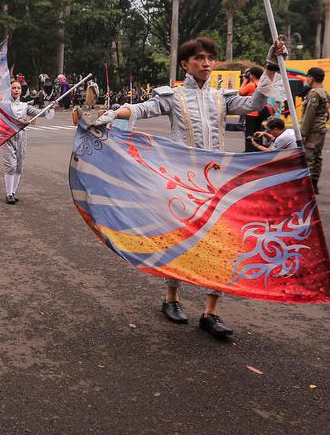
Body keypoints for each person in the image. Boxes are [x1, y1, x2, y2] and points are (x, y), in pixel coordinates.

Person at [94, 35, 286, 339]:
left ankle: (211, 311)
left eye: (210, 58)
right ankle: (171, 298)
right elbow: (142, 109)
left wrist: (272, 64)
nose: (206, 64)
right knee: (181, 239)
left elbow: (257, 102)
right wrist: (114, 113)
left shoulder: (221, 98)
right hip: (182, 181)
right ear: (185, 64)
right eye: (199, 58)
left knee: (221, 243)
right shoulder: (172, 96)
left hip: (219, 182)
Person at [0, 80, 50, 204]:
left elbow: (39, 114)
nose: (16, 90)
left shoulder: (24, 106)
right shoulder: (3, 105)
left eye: (18, 88)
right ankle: (8, 194)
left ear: (21, 91)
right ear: (9, 90)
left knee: (19, 166)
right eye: (13, 88)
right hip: (8, 137)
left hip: (21, 137)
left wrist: (50, 106)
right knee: (10, 165)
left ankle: (13, 192)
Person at [299, 67, 330, 194]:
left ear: (311, 78)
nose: (307, 79)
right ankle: (314, 183)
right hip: (320, 129)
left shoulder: (314, 94)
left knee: (309, 157)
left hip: (312, 130)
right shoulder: (324, 92)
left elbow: (309, 115)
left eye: (308, 76)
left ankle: (309, 187)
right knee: (317, 157)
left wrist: (303, 133)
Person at [238, 66, 270, 152]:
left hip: (251, 113)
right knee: (258, 132)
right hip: (260, 112)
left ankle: (249, 151)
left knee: (249, 133)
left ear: (252, 75)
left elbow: (241, 92)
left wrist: (244, 81)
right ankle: (257, 149)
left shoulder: (251, 85)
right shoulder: (262, 84)